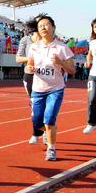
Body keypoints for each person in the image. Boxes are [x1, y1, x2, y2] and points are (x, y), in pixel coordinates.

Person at [26, 14, 75, 161]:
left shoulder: (63, 47)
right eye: (40, 26)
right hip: (38, 89)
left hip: (56, 89)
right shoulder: (34, 47)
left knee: (49, 119)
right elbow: (30, 65)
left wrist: (61, 62)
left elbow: (72, 70)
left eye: (46, 24)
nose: (43, 27)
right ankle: (49, 131)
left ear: (53, 28)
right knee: (37, 121)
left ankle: (51, 149)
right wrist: (30, 68)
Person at [16, 16, 46, 144]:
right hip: (29, 75)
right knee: (34, 104)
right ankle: (37, 133)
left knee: (44, 105)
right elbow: (18, 58)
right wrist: (31, 59)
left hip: (45, 75)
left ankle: (44, 132)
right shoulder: (25, 40)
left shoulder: (48, 41)